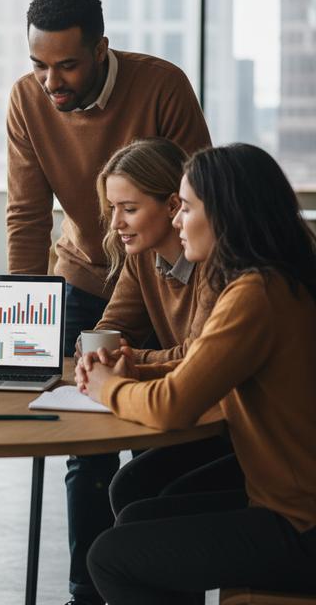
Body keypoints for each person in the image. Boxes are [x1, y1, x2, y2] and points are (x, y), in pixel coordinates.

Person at [6, 0, 211, 604]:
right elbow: (26, 216)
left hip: (168, 268)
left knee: (178, 412)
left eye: (66, 65)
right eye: (39, 65)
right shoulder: (27, 99)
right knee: (81, 434)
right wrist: (26, 324)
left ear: (100, 49)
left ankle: (154, 560)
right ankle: (88, 591)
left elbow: (201, 199)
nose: (50, 82)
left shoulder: (161, 85)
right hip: (91, 274)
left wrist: (139, 357)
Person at [81, 144, 316, 604]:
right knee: (136, 516)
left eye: (185, 208)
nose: (175, 220)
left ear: (226, 214)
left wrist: (111, 387)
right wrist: (134, 375)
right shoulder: (279, 279)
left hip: (299, 524)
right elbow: (198, 365)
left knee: (110, 556)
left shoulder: (256, 294)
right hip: (285, 504)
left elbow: (172, 407)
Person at [89, 137, 237, 516]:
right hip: (195, 407)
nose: (117, 223)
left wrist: (127, 360)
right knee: (131, 485)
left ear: (173, 205)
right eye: (113, 208)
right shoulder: (142, 257)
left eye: (129, 209)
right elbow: (109, 331)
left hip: (225, 422)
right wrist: (103, 353)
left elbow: (194, 355)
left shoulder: (217, 264)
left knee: (143, 492)